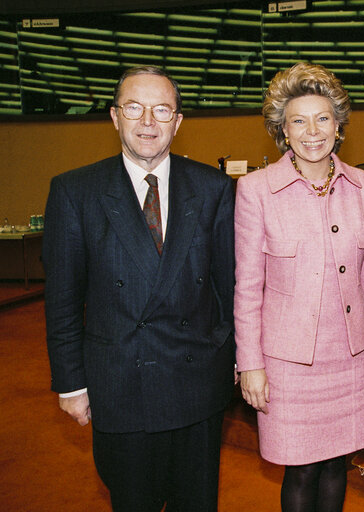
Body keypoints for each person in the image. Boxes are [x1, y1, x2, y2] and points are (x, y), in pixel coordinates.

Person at [43, 66, 235, 511]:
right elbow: (63, 301)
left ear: (178, 122)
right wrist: (71, 384)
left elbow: (229, 289)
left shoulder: (213, 188)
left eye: (162, 109)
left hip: (196, 386)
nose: (148, 121)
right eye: (134, 107)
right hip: (121, 386)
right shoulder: (75, 192)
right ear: (114, 117)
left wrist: (230, 362)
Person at [234, 62, 364, 512]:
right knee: (301, 468)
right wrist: (250, 364)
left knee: (338, 463)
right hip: (288, 364)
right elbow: (247, 288)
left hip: (351, 356)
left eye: (322, 118)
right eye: (298, 121)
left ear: (338, 126)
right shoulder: (256, 190)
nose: (312, 131)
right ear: (283, 131)